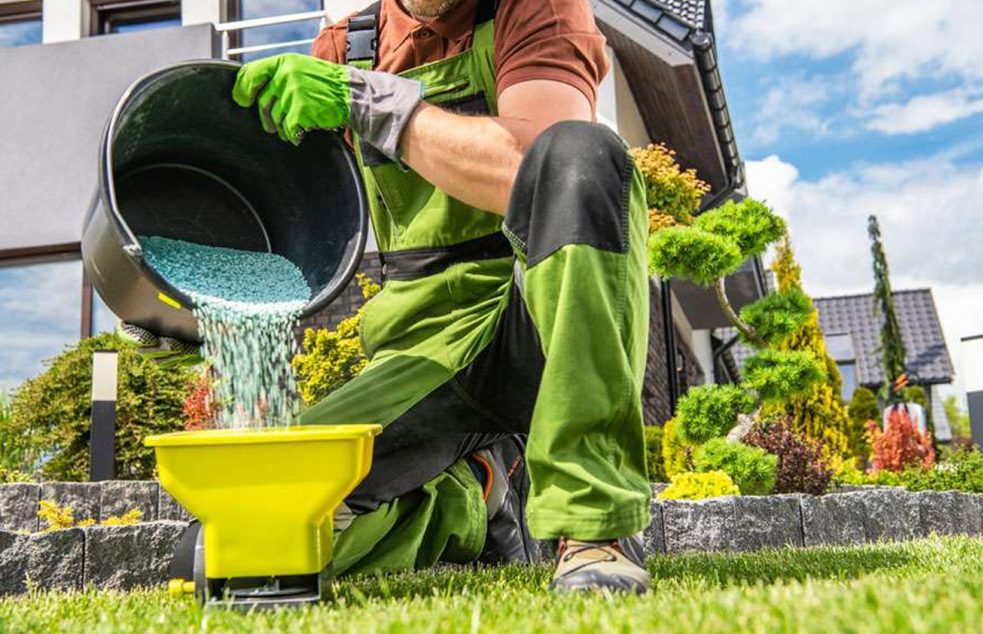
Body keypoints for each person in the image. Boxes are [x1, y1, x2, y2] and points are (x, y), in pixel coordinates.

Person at [152, 0, 652, 594]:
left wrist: (372, 104)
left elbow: (536, 166)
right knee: (226, 545)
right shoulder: (345, 48)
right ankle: (472, 498)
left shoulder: (535, 8)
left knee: (581, 154)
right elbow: (290, 228)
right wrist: (175, 307)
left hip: (546, 321)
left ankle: (593, 531)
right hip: (427, 348)